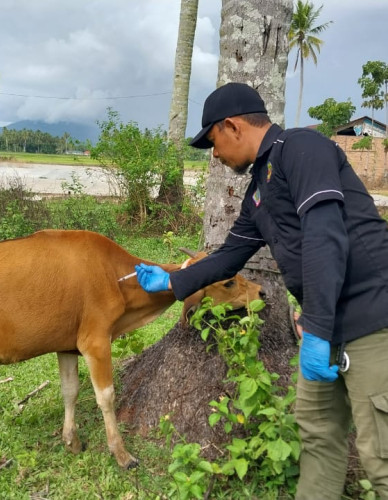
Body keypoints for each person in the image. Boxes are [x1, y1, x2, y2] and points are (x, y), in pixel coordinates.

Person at [135, 82, 388, 499]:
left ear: (232, 126)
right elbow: (229, 257)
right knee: (318, 435)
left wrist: (318, 326)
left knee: (380, 460)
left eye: (212, 142)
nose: (214, 155)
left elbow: (325, 235)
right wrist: (172, 281)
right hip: (324, 326)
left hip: (371, 320)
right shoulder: (258, 191)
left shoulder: (302, 149)